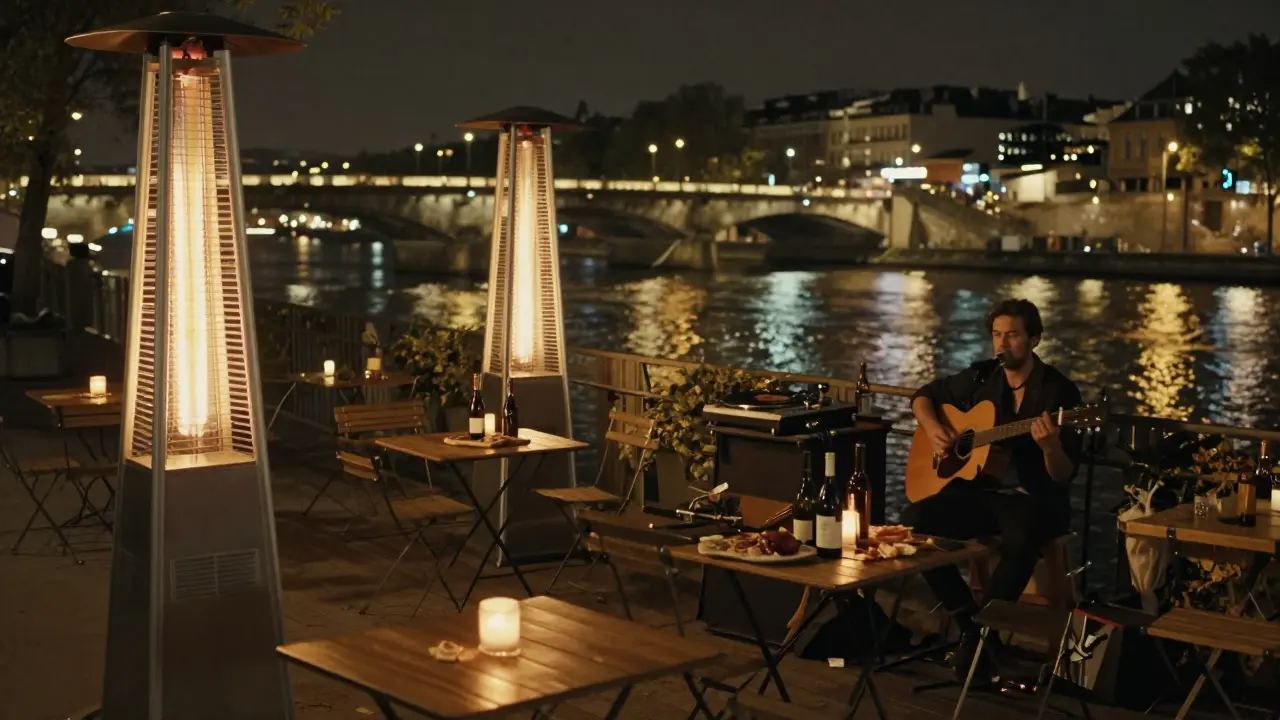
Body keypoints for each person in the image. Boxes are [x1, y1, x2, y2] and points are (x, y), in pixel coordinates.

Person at [900, 298, 1083, 682]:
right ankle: (973, 628)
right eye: (997, 335)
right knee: (914, 523)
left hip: (1034, 498)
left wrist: (1050, 446)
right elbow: (923, 396)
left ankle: (979, 638)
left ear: (1034, 339)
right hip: (979, 491)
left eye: (1013, 335)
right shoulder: (984, 378)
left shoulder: (1059, 393)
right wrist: (934, 430)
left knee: (1021, 538)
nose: (1002, 344)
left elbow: (1064, 475)